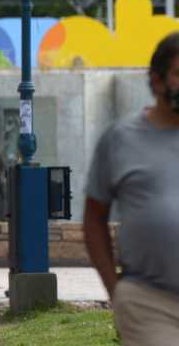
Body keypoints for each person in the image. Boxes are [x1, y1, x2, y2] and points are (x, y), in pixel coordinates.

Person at [83, 32, 179, 345]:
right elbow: (94, 218)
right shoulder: (120, 140)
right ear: (156, 81)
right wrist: (116, 290)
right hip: (150, 303)